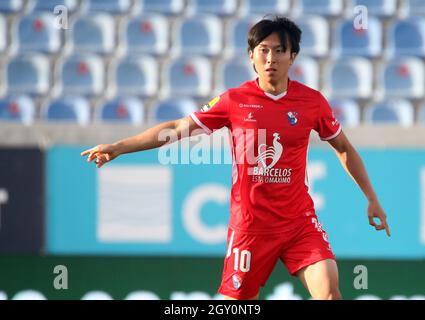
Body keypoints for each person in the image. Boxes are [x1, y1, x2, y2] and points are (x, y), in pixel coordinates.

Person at [81, 16, 390, 300]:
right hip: (250, 228)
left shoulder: (311, 102)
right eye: (263, 50)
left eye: (280, 50)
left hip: (299, 222)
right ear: (251, 56)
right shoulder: (234, 101)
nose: (271, 59)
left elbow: (344, 148)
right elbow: (176, 128)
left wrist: (371, 198)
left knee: (329, 294)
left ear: (292, 56)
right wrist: (120, 146)